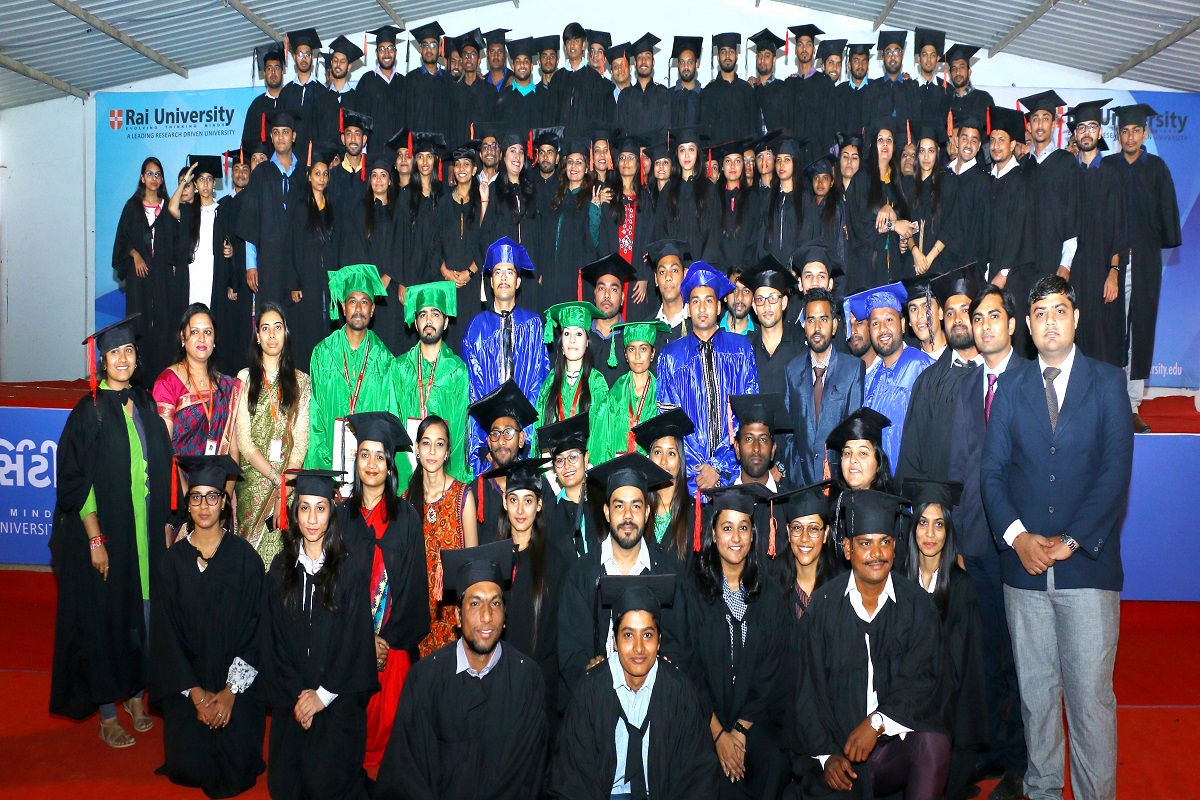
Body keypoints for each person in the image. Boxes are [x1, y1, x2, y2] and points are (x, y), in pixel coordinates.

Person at [981, 275, 1134, 800]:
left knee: (1090, 703)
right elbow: (992, 473)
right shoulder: (1011, 388)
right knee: (1036, 700)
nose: (1050, 321)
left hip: (1087, 567)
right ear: (1028, 325)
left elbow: (1115, 473)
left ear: (1076, 319)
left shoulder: (1107, 382)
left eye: (1059, 311)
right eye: (1040, 313)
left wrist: (1070, 540)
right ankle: (1042, 792)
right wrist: (1018, 538)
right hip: (1023, 574)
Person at [50, 316, 175, 747]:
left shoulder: (144, 403)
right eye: (114, 353)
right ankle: (107, 711)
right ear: (102, 361)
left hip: (145, 533)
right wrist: (95, 538)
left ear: (137, 358)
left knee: (143, 618)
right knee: (106, 621)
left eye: (129, 351)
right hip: (109, 535)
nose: (122, 358)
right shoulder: (89, 411)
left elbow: (161, 466)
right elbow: (76, 482)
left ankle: (136, 695)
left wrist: (166, 523)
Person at [793, 489, 951, 800]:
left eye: (885, 542)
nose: (877, 553)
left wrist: (876, 723)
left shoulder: (917, 606)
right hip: (839, 756)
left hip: (891, 750)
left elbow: (923, 682)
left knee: (934, 744)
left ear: (895, 547)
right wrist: (826, 756)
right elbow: (806, 692)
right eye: (866, 543)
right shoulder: (823, 607)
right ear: (847, 548)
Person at [376, 541, 550, 800]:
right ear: (458, 616)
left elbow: (528, 775)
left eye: (495, 604)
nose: (487, 617)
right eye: (475, 604)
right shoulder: (425, 680)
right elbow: (407, 773)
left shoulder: (527, 680)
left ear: (505, 617)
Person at [946, 283, 1028, 800]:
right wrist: (956, 534)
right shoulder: (963, 386)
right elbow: (958, 464)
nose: (984, 325)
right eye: (977, 318)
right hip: (974, 543)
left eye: (994, 316)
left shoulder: (1031, 379)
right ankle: (995, 747)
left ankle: (1022, 764)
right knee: (987, 655)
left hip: (1020, 546)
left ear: (1012, 325)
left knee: (1022, 660)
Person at [150, 454, 266, 797]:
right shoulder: (172, 563)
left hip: (236, 690)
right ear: (188, 504)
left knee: (236, 767)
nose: (204, 506)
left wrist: (229, 694)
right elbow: (165, 636)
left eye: (212, 497)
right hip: (188, 689)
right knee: (189, 766)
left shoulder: (246, 560)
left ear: (224, 502)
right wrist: (197, 696)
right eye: (196, 497)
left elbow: (256, 630)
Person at [262, 469, 379, 800]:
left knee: (323, 786)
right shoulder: (280, 569)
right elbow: (273, 642)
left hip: (336, 698)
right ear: (294, 513)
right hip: (293, 699)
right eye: (304, 508)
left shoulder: (349, 570)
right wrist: (300, 696)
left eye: (320, 508)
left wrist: (322, 696)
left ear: (332, 513)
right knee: (284, 788)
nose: (312, 519)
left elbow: (354, 643)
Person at [549, 574, 719, 799]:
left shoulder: (680, 693)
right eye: (628, 635)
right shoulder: (590, 691)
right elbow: (571, 778)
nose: (639, 648)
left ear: (659, 641)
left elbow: (698, 777)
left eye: (647, 635)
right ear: (614, 641)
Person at [336, 412, 430, 772]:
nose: (372, 464)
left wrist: (384, 641)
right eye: (365, 454)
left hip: (392, 648)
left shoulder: (406, 518)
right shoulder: (341, 517)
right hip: (349, 646)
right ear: (356, 460)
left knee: (393, 738)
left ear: (390, 464)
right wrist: (362, 638)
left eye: (380, 456)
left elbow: (414, 588)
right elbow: (333, 587)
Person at [558, 454, 693, 703]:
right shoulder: (582, 574)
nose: (628, 516)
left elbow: (681, 645)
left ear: (647, 512)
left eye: (636, 506)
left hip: (655, 703)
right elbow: (571, 648)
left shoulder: (667, 572)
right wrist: (589, 671)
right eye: (619, 506)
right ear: (607, 512)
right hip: (596, 703)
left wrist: (665, 671)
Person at [688, 484, 792, 799]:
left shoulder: (769, 594)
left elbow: (773, 670)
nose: (736, 537)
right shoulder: (692, 591)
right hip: (704, 719)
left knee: (773, 761)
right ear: (713, 533)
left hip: (754, 719)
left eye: (743, 528)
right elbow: (689, 669)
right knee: (705, 772)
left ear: (753, 534)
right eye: (727, 528)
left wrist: (741, 729)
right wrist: (719, 734)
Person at [901, 479, 988, 800]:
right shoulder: (898, 582)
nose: (930, 533)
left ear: (949, 530)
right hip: (901, 711)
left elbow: (966, 666)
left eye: (939, 524)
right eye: (923, 523)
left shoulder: (961, 587)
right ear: (912, 528)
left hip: (947, 717)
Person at [1104, 102, 1182, 431]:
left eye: (1136, 130)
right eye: (1125, 131)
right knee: (1111, 332)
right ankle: (1111, 404)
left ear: (1145, 133)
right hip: (1111, 264)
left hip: (1145, 263)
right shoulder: (1107, 167)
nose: (1131, 136)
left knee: (1139, 333)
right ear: (1118, 134)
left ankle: (1133, 405)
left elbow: (1167, 219)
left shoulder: (1157, 169)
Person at [656, 262, 760, 496]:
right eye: (695, 301)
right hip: (688, 480)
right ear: (688, 308)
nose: (702, 308)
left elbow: (748, 414)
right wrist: (700, 470)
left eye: (709, 300)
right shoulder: (671, 357)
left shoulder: (741, 350)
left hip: (734, 475)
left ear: (719, 307)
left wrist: (718, 465)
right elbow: (669, 422)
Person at [487, 457, 570, 732]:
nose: (520, 510)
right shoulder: (490, 560)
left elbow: (560, 634)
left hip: (539, 689)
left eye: (528, 500)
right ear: (504, 502)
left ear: (540, 504)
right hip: (496, 685)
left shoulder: (555, 563)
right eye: (513, 500)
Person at [463, 237, 550, 474]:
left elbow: (539, 385)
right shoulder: (477, 328)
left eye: (509, 272)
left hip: (524, 442)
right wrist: (484, 444)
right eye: (498, 272)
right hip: (489, 445)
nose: (503, 278)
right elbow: (473, 391)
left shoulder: (533, 325)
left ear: (518, 281)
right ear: (490, 281)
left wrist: (526, 439)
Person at [234, 303, 310, 567]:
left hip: (287, 486)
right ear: (257, 336)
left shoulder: (301, 382)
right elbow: (244, 442)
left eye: (277, 328)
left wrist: (284, 488)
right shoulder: (244, 379)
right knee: (248, 566)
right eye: (265, 328)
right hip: (252, 486)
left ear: (286, 333)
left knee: (281, 566)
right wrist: (277, 480)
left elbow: (300, 443)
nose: (271, 334)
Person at [304, 264, 398, 478]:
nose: (358, 308)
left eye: (364, 302)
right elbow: (315, 415)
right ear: (343, 307)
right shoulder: (323, 353)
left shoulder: (384, 360)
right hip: (329, 463)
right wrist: (322, 470)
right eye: (352, 301)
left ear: (372, 309)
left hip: (370, 469)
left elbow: (388, 418)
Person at [896, 263, 987, 482]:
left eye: (965, 310)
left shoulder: (999, 376)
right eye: (950, 313)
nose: (957, 319)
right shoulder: (927, 381)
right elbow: (911, 457)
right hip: (939, 497)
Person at [405, 414, 479, 658]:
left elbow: (473, 564)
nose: (432, 451)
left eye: (439, 444)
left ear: (447, 452)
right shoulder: (406, 500)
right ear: (417, 449)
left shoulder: (463, 496)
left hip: (453, 612)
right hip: (417, 614)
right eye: (426, 443)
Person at [392, 281, 472, 486]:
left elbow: (459, 431)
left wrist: (449, 479)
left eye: (435, 314)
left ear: (445, 322)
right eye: (422, 314)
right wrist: (404, 476)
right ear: (416, 323)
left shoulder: (457, 370)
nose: (428, 320)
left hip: (445, 473)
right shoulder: (399, 367)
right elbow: (393, 423)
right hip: (406, 470)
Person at [782, 288, 865, 485]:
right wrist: (794, 471)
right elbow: (787, 431)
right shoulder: (792, 370)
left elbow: (854, 433)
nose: (817, 327)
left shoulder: (852, 369)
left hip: (839, 482)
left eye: (824, 319)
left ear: (834, 326)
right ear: (804, 325)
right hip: (801, 485)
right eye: (811, 320)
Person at [1068, 99, 1127, 371]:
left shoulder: (1113, 175)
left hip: (1103, 273)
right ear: (1075, 134)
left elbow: (1120, 228)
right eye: (1081, 128)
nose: (1087, 132)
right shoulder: (1068, 174)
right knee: (1075, 339)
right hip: (1075, 272)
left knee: (1104, 344)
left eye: (1092, 127)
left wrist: (1114, 272)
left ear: (1100, 132)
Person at [852, 282, 934, 466]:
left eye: (889, 320)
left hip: (913, 476)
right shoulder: (870, 380)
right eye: (875, 323)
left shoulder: (923, 367)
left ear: (903, 324)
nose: (882, 330)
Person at [112, 156, 179, 379]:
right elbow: (122, 241)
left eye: (158, 174)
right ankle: (139, 380)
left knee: (164, 325)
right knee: (138, 323)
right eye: (149, 174)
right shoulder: (132, 207)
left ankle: (162, 380)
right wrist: (134, 254)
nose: (153, 178)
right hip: (138, 277)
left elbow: (177, 242)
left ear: (162, 179)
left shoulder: (168, 208)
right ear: (142, 178)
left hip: (162, 276)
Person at [154, 303, 243, 468]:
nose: (202, 339)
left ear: (214, 339)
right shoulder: (168, 382)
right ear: (183, 337)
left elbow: (233, 450)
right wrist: (185, 486)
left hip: (219, 479)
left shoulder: (227, 385)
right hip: (179, 478)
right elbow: (163, 449)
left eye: (207, 332)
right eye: (195, 332)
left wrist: (227, 484)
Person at [237, 109, 308, 306]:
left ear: (294, 136)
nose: (280, 137)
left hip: (299, 263)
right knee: (269, 316)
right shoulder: (261, 174)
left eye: (285, 132)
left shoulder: (304, 174)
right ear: (271, 136)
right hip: (268, 263)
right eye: (276, 132)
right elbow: (251, 221)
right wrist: (251, 265)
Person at [285, 142, 341, 369]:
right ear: (309, 176)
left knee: (329, 325)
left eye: (325, 174)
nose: (321, 178)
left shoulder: (332, 207)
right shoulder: (300, 208)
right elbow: (291, 246)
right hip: (307, 279)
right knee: (308, 329)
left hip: (328, 279)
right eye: (317, 173)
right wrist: (294, 283)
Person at [844, 117, 916, 291]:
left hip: (893, 271)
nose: (885, 144)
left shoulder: (897, 182)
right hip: (867, 270)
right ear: (872, 145)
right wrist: (893, 225)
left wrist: (901, 241)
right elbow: (859, 228)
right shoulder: (861, 179)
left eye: (889, 140)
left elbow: (903, 224)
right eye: (880, 140)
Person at [468, 380, 539, 547]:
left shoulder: (537, 484)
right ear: (488, 442)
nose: (501, 441)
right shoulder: (475, 491)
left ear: (521, 439)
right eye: (495, 433)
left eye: (508, 432)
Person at [591, 320, 670, 463]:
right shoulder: (615, 394)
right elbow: (604, 439)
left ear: (652, 354)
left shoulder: (662, 394)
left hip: (651, 466)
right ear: (625, 355)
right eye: (632, 349)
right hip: (618, 466)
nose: (637, 356)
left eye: (643, 349)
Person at [534, 302, 610, 446]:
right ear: (561, 343)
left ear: (587, 343)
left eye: (579, 334)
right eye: (567, 333)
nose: (572, 340)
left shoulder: (597, 383)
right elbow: (540, 431)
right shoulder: (550, 382)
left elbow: (601, 436)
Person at [825, 407, 897, 550]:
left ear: (878, 463)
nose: (853, 460)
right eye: (847, 453)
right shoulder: (832, 510)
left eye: (862, 453)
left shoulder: (894, 514)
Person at [772, 481, 839, 620]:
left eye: (813, 528)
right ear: (788, 532)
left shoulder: (839, 591)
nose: (804, 538)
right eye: (797, 528)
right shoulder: (773, 591)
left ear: (826, 533)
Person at [656, 125, 721, 262]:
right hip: (674, 267)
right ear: (677, 154)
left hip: (701, 267)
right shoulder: (668, 191)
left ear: (698, 153)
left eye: (691, 149)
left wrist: (699, 268)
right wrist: (675, 266)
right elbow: (661, 232)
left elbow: (713, 234)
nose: (686, 155)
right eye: (682, 150)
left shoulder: (709, 189)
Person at [744, 258, 805, 396]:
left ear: (783, 302)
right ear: (754, 307)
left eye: (772, 298)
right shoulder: (746, 350)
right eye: (760, 299)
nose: (766, 306)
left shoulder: (801, 350)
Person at [579, 251, 640, 386]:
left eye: (613, 289)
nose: (606, 295)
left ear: (622, 298)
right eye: (601, 288)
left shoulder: (631, 340)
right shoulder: (580, 337)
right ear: (594, 294)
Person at [787, 25, 835, 165]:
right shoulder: (789, 84)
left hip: (818, 155)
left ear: (814, 50)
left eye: (808, 44)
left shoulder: (825, 82)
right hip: (795, 157)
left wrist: (826, 158)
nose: (804, 48)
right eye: (800, 44)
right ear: (795, 50)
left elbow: (830, 123)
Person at [699, 33, 757, 143]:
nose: (727, 56)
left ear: (736, 56)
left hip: (743, 152)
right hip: (717, 152)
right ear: (718, 57)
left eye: (731, 51)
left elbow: (753, 128)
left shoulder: (746, 90)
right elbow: (705, 133)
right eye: (723, 52)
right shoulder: (708, 92)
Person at [759, 135, 806, 266]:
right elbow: (761, 239)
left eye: (787, 159)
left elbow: (807, 238)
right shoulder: (768, 198)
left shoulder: (805, 199)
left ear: (795, 163)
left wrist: (797, 268)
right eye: (778, 160)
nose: (781, 164)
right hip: (770, 268)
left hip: (795, 270)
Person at [616, 33, 671, 134]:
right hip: (631, 145)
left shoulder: (662, 93)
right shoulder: (625, 95)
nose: (644, 61)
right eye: (640, 57)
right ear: (635, 63)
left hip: (656, 144)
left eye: (648, 57)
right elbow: (621, 130)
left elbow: (664, 129)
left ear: (653, 62)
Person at [861, 30, 920, 122]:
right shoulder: (873, 88)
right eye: (888, 53)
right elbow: (867, 122)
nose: (893, 57)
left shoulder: (912, 88)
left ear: (902, 55)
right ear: (883, 57)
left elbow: (916, 121)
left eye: (896, 52)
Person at [645, 238, 691, 341]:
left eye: (674, 270)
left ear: (685, 275)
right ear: (656, 279)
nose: (668, 277)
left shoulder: (697, 323)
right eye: (662, 272)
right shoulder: (647, 329)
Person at [669, 35, 704, 127]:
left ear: (697, 64)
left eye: (690, 62)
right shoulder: (668, 96)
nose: (686, 66)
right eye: (682, 62)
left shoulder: (705, 97)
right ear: (678, 65)